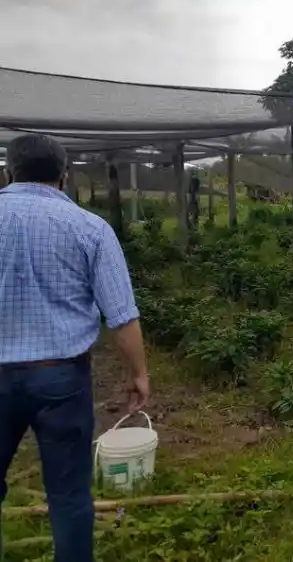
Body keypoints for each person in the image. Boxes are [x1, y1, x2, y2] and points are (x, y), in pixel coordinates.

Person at [0, 135, 150, 562]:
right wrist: (139, 374)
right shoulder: (89, 228)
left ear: (10, 172)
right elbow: (120, 313)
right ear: (64, 177)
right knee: (68, 496)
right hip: (61, 380)